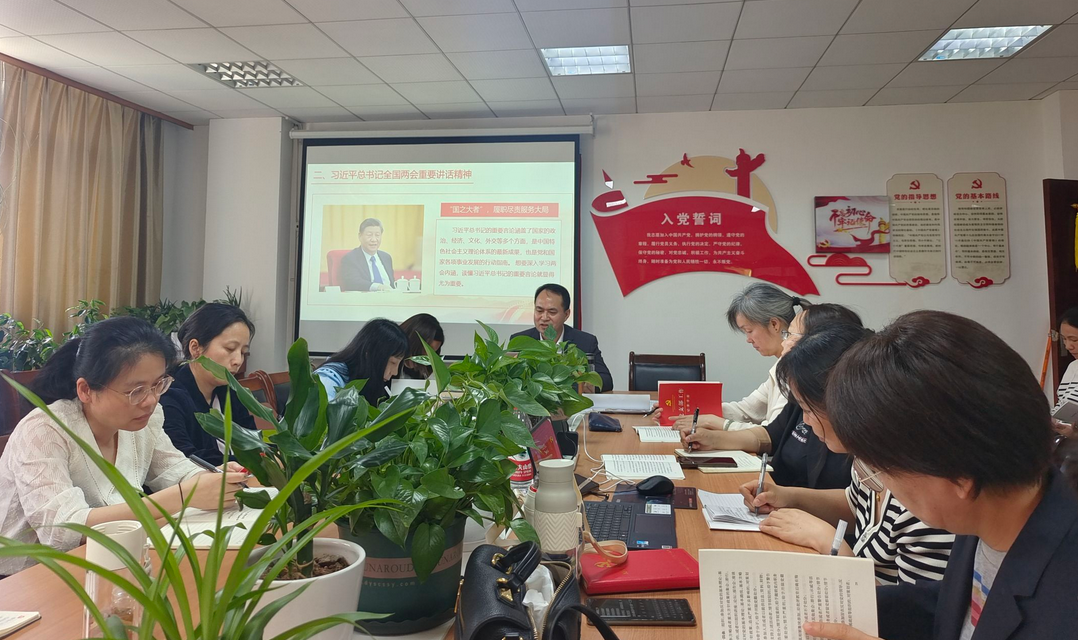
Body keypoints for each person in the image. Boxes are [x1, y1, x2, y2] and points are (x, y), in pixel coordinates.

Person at [801, 311, 1078, 640]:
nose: (885, 485)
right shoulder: (993, 504)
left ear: (958, 476)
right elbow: (958, 603)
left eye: (883, 470)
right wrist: (843, 602)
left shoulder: (1063, 605)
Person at [0, 317, 247, 575]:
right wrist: (183, 496)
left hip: (106, 558)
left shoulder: (144, 419)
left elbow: (174, 469)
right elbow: (63, 530)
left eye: (158, 384)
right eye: (136, 391)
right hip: (26, 576)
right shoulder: (45, 429)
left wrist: (210, 478)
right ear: (86, 390)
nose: (151, 400)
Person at [740, 323, 954, 587]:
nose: (805, 422)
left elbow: (909, 607)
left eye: (808, 409)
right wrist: (787, 496)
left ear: (848, 403)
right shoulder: (869, 461)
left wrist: (827, 540)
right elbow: (855, 504)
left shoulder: (924, 499)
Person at [680, 303, 860, 491]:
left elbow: (849, 502)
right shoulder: (799, 388)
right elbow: (770, 434)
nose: (784, 343)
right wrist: (712, 439)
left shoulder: (853, 421)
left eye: (790, 336)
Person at [664, 282, 805, 432]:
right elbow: (746, 410)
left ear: (774, 324)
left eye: (749, 330)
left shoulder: (797, 369)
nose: (748, 340)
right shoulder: (781, 365)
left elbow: (772, 433)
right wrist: (681, 410)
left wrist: (716, 423)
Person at [160, 303, 257, 466]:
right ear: (195, 348)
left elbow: (254, 444)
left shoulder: (230, 391)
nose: (238, 361)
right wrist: (255, 464)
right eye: (230, 349)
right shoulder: (170, 396)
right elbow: (186, 458)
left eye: (243, 353)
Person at [510, 284, 613, 392]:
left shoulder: (585, 342)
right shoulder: (519, 341)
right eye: (539, 310)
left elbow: (606, 380)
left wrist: (589, 384)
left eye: (552, 312)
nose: (544, 317)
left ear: (566, 314)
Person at [315, 318, 408, 406]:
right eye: (393, 362)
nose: (395, 372)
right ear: (369, 353)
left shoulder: (371, 381)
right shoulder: (329, 379)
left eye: (399, 363)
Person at [340, 218, 395, 292]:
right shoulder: (351, 258)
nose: (374, 239)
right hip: (367, 298)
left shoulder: (386, 257)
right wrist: (378, 287)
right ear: (360, 236)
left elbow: (392, 284)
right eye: (369, 235)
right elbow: (353, 282)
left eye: (377, 235)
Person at [1051, 305, 1078, 439]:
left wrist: (1075, 435)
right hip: (1064, 440)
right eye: (1064, 339)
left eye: (1074, 340)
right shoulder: (1073, 367)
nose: (1068, 346)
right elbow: (1062, 404)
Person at [397, 313, 444, 379]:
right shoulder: (390, 356)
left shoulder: (423, 370)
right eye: (426, 350)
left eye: (433, 353)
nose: (427, 357)